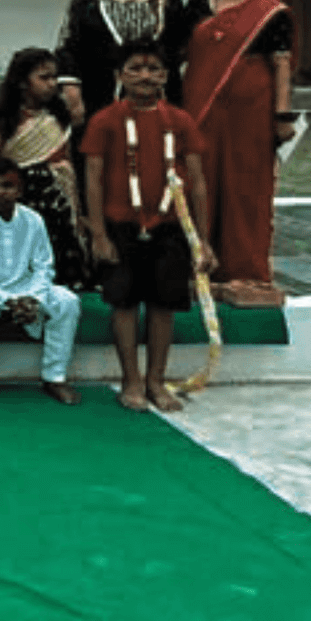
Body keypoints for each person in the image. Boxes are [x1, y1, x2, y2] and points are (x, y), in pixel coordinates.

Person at [85, 40, 213, 411]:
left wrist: (202, 241)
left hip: (169, 226)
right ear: (119, 76)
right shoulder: (105, 120)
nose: (145, 76)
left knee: (163, 305)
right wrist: (98, 233)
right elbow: (92, 179)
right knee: (123, 305)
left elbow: (198, 182)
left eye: (154, 69)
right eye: (135, 69)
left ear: (166, 76)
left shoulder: (181, 121)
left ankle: (157, 380)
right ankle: (131, 380)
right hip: (120, 226)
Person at [181, 0, 295, 304]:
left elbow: (281, 63)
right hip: (202, 105)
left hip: (252, 108)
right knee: (200, 182)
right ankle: (200, 267)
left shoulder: (270, 10)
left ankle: (246, 273)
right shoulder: (196, 6)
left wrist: (282, 114)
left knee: (247, 187)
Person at [0, 158, 83, 407]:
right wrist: (6, 300)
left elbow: (44, 267)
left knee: (67, 301)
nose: (1, 191)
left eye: (8, 185)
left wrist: (32, 298)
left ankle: (55, 377)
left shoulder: (33, 220)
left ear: (20, 189)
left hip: (27, 288)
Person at [56, 0, 187, 128]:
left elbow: (181, 48)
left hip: (160, 98)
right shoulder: (85, 3)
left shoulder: (168, 0)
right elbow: (68, 49)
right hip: (101, 98)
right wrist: (71, 92)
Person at [0, 48, 90, 291]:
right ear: (22, 82)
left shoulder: (60, 116)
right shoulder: (5, 121)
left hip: (61, 197)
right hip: (23, 198)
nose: (52, 84)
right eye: (44, 78)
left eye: (55, 77)